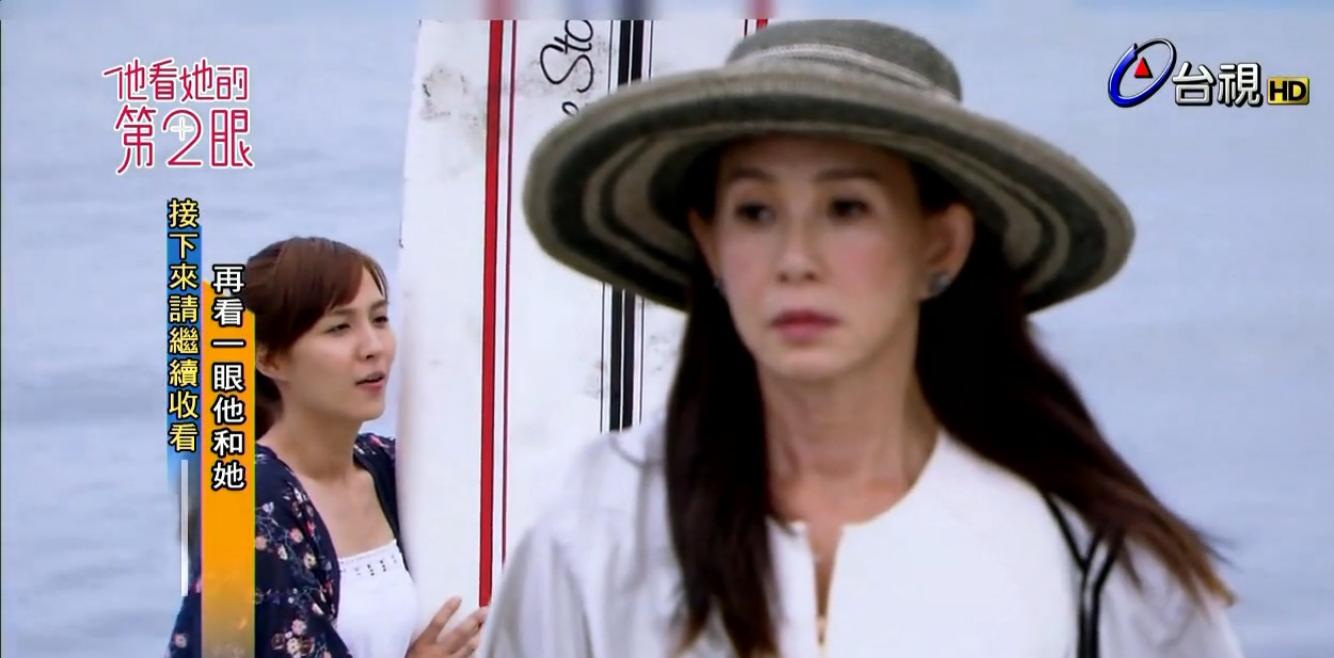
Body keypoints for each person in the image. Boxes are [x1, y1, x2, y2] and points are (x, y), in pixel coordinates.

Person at [478, 20, 1244, 658]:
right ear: (709, 243)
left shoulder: (1094, 561)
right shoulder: (601, 525)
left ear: (939, 245)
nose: (796, 259)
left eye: (846, 207)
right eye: (755, 212)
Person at [166, 237, 487, 658]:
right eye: (339, 328)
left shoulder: (389, 463)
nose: (373, 347)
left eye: (380, 319)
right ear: (269, 358)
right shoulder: (247, 502)